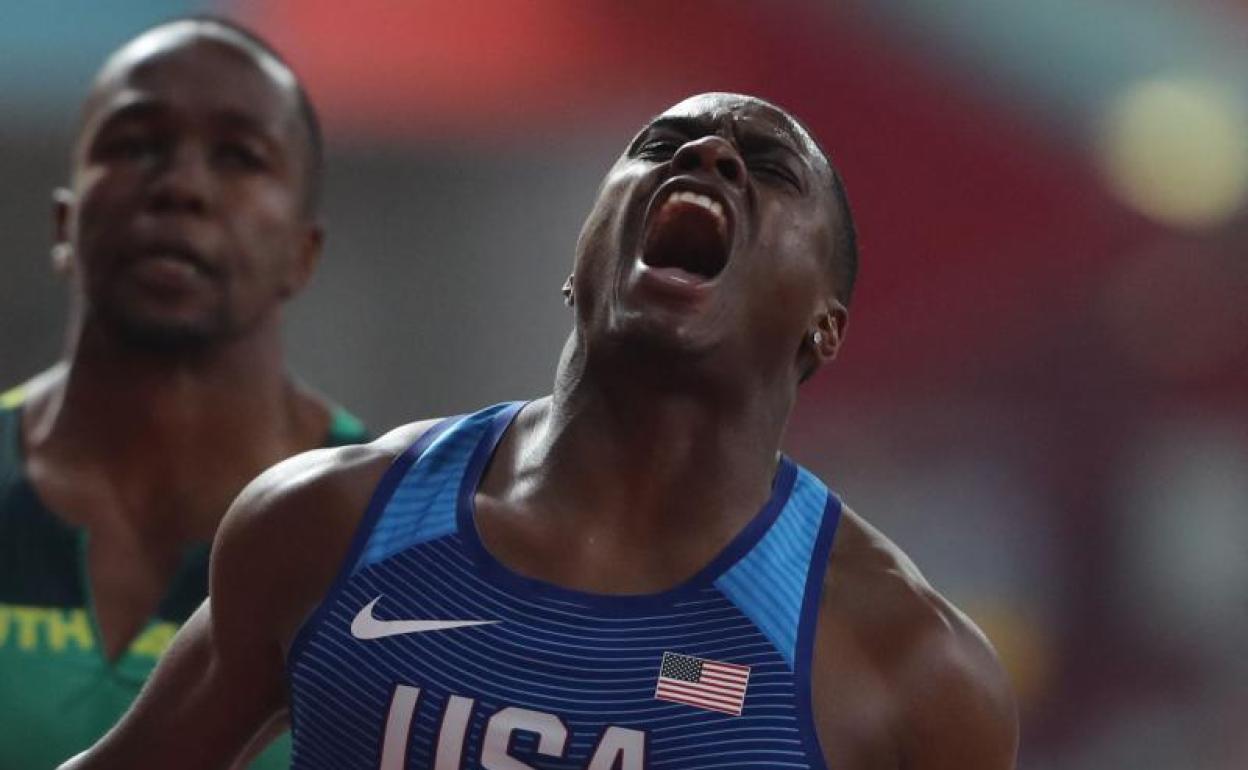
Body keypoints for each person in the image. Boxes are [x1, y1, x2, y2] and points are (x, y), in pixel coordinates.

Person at [62, 92, 1017, 770]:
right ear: (581, 262)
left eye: (766, 168)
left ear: (826, 324)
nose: (708, 158)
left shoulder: (908, 669)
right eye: (662, 142)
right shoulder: (323, 522)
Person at [0, 16, 368, 769]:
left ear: (304, 253)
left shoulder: (383, 527)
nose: (181, 187)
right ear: (64, 224)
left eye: (239, 156)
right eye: (135, 145)